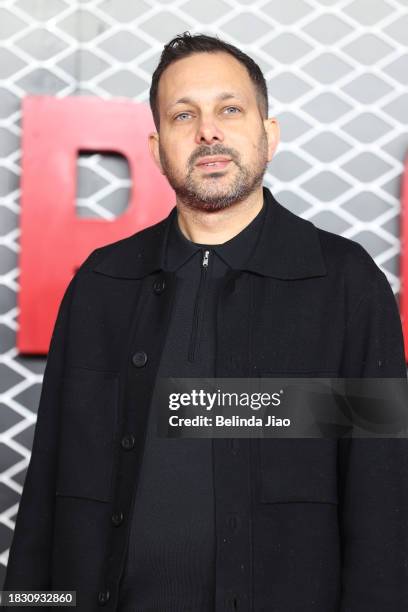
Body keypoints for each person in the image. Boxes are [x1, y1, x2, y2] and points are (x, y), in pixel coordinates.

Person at [4, 32, 408, 612]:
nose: (208, 130)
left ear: (269, 136)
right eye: (183, 114)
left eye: (230, 109)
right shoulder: (101, 285)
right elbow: (45, 495)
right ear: (155, 146)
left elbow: (382, 506)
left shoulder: (346, 284)